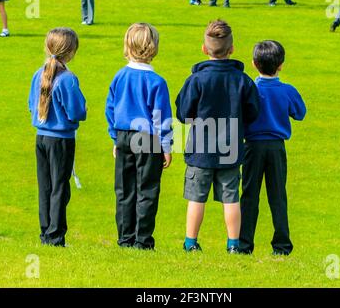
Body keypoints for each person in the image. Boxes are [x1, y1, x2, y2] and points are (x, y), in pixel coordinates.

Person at [176, 20, 260, 254]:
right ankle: (233, 244)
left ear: (204, 49)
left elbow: (183, 113)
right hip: (231, 147)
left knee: (196, 198)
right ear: (232, 49)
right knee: (231, 198)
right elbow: (253, 111)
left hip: (200, 150)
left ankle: (191, 242)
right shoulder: (242, 80)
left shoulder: (196, 79)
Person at [105, 23, 173, 250]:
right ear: (154, 48)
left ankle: (125, 238)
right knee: (148, 189)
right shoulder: (157, 82)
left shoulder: (120, 76)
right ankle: (143, 240)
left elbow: (111, 108)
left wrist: (115, 137)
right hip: (148, 138)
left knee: (124, 189)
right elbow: (161, 117)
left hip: (124, 135)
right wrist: (166, 145)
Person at [239, 40, 306, 256]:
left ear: (253, 63)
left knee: (249, 195)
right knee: (277, 195)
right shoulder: (287, 90)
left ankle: (244, 243)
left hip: (252, 146)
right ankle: (282, 244)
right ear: (281, 65)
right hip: (276, 147)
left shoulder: (250, 89)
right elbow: (300, 113)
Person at [28, 28, 87, 247]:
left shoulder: (39, 73)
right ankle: (55, 236)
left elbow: (30, 104)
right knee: (59, 188)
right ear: (71, 52)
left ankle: (46, 233)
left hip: (41, 137)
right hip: (61, 139)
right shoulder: (68, 79)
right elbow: (77, 111)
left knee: (45, 186)